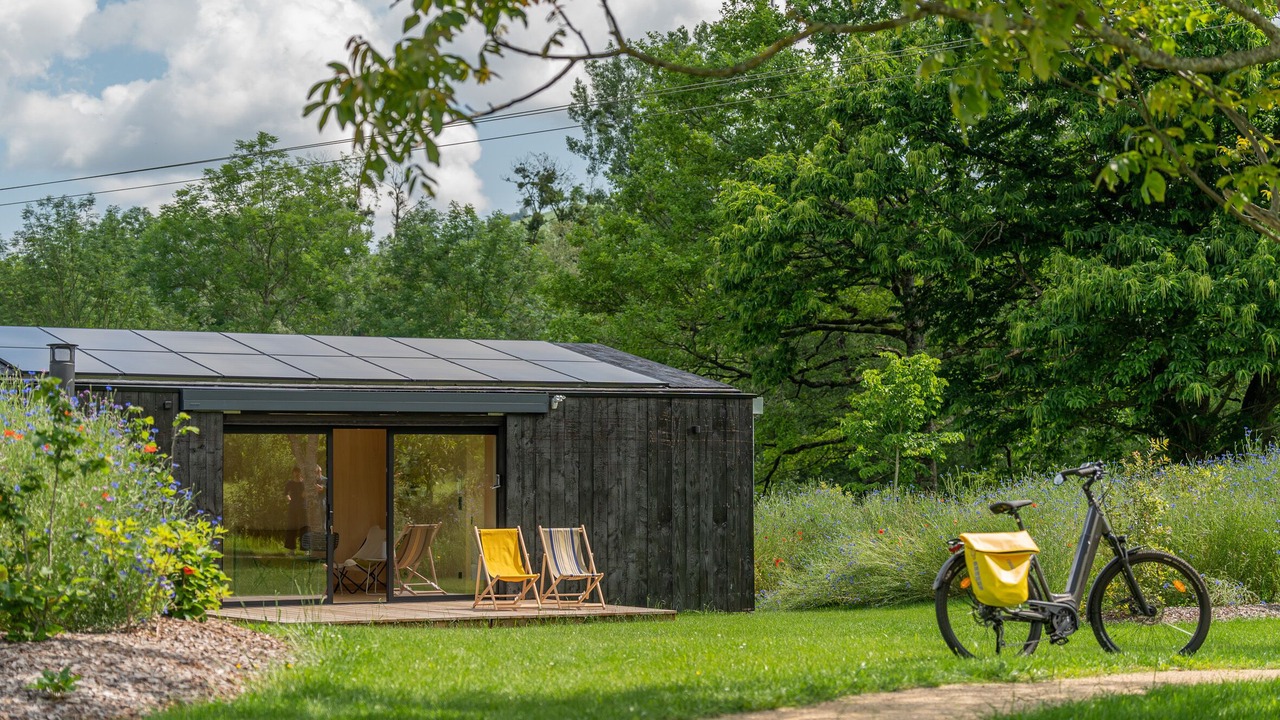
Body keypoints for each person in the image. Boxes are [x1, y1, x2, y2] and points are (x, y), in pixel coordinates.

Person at [284, 466, 306, 551]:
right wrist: (288, 498)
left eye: (298, 471)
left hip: (303, 507)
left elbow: (305, 495)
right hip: (292, 508)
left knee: (304, 528)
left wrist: (305, 493)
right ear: (293, 473)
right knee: (291, 527)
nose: (297, 473)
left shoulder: (304, 483)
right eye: (295, 471)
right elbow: (286, 493)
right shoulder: (290, 483)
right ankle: (291, 549)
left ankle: (305, 549)